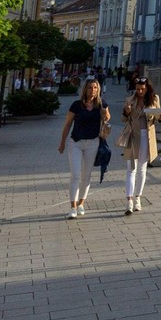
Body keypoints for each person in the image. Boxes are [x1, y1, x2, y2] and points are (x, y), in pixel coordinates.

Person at [57, 79, 111, 219]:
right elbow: (67, 124)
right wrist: (62, 142)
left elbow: (107, 118)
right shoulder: (77, 105)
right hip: (76, 143)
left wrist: (105, 115)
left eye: (95, 88)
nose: (92, 90)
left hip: (93, 143)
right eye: (90, 88)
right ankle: (73, 207)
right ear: (85, 89)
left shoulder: (101, 104)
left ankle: (81, 204)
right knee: (75, 174)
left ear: (98, 90)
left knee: (86, 175)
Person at [119, 80, 161, 215]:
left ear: (147, 88)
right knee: (131, 168)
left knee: (142, 169)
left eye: (142, 89)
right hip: (133, 136)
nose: (140, 91)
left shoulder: (154, 99)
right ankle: (129, 201)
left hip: (147, 137)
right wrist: (127, 112)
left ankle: (138, 197)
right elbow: (124, 119)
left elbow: (158, 117)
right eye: (138, 89)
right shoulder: (130, 100)